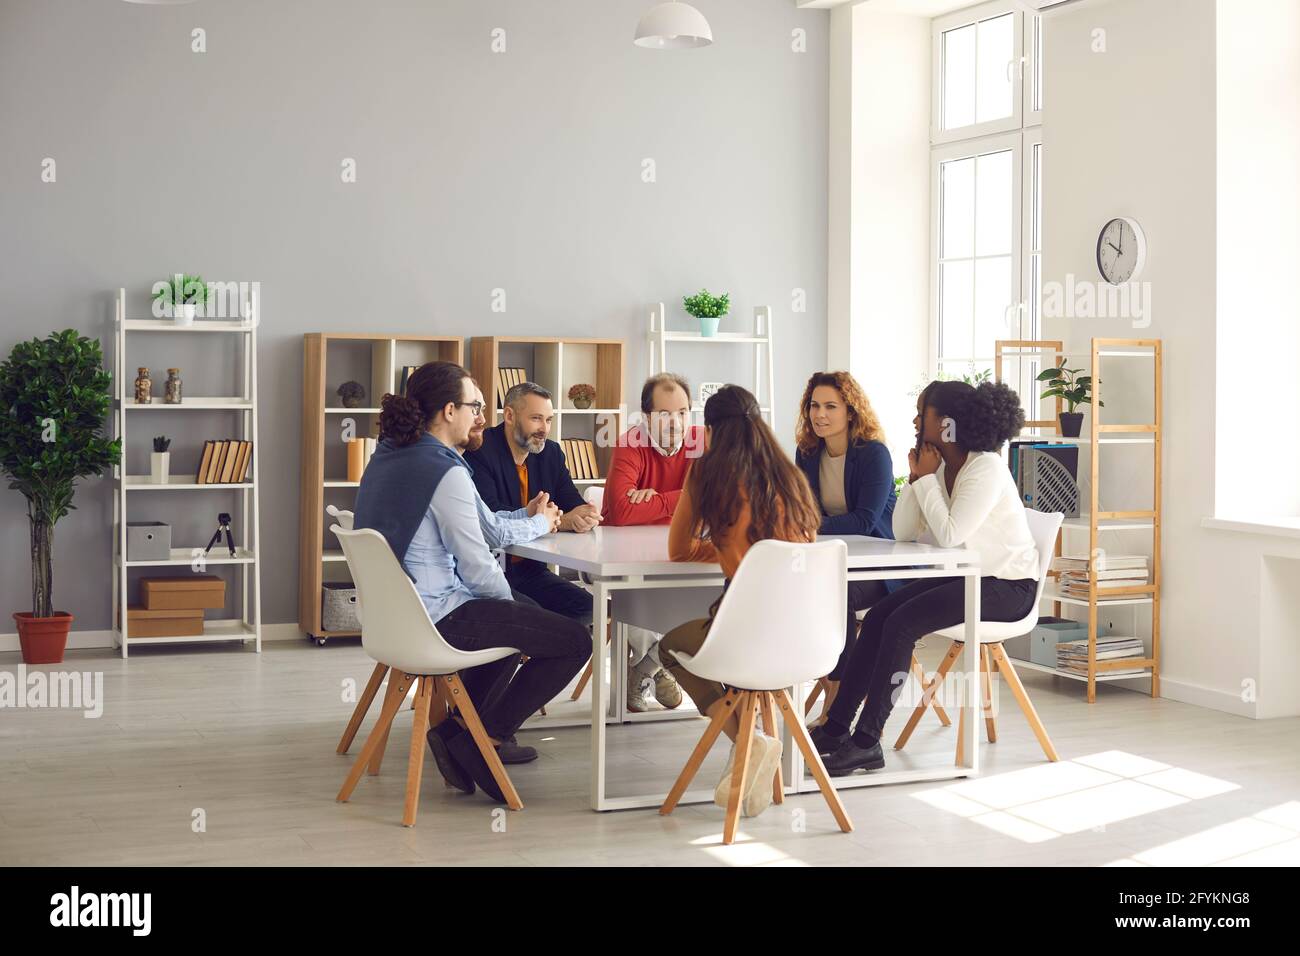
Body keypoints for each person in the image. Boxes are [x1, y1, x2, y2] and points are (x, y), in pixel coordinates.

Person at [353, 361, 589, 803]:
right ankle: (484, 739)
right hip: (436, 618)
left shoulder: (392, 455)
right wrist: (513, 614)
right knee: (574, 640)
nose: (480, 416)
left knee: (521, 616)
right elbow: (479, 561)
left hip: (396, 618)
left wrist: (531, 524)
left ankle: (461, 732)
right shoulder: (444, 469)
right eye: (474, 406)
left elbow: (484, 527)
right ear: (448, 411)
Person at [812, 379, 1041, 775]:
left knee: (902, 623)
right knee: (883, 613)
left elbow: (951, 534)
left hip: (1007, 587)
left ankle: (867, 742)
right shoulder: (943, 467)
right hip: (967, 579)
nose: (916, 419)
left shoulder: (984, 467)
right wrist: (917, 479)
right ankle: (835, 728)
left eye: (924, 413)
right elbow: (903, 532)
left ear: (947, 422)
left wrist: (926, 480)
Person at [659, 385, 821, 818]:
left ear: (710, 431)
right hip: (806, 641)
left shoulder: (706, 473)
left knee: (671, 646)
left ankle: (749, 743)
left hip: (747, 638)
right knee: (739, 658)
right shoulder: (788, 473)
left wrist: (728, 550)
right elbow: (803, 546)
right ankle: (756, 750)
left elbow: (677, 549)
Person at [793, 371, 899, 722]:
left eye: (830, 406)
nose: (819, 414)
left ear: (850, 412)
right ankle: (829, 680)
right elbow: (803, 510)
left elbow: (864, 521)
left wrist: (808, 525)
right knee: (804, 592)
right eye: (814, 406)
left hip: (882, 565)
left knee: (834, 598)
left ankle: (838, 693)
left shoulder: (874, 454)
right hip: (832, 558)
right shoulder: (807, 453)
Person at [601, 372, 704, 712]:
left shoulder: (703, 442)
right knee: (640, 594)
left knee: (710, 596)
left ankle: (645, 669)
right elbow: (620, 511)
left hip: (683, 553)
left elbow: (715, 503)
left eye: (683, 412)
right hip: (629, 557)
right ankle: (659, 671)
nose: (675, 422)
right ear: (646, 417)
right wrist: (687, 499)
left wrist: (654, 501)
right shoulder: (629, 444)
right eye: (664, 413)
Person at [466, 381, 600, 624]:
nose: (544, 429)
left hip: (531, 571)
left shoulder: (551, 453)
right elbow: (491, 513)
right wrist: (559, 521)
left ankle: (560, 657)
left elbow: (571, 501)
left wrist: (584, 515)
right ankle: (547, 653)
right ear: (509, 415)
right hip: (492, 571)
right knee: (540, 619)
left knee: (590, 608)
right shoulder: (480, 450)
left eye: (548, 420)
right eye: (536, 419)